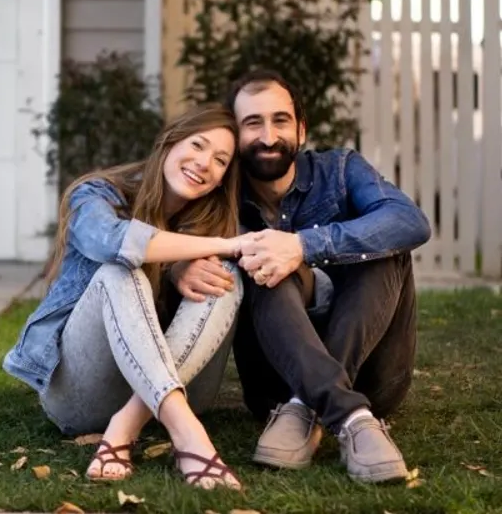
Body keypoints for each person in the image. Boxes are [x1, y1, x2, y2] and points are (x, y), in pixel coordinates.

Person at [171, 69, 432, 484]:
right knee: (258, 258)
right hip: (272, 386)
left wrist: (303, 246)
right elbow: (164, 228)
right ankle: (351, 416)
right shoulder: (219, 193)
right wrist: (177, 265)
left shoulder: (342, 170)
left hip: (374, 378)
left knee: (384, 250)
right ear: (234, 136)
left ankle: (307, 403)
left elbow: (409, 221)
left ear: (301, 129)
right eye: (252, 123)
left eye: (280, 120)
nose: (269, 136)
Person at [3, 103, 248, 490]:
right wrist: (213, 247)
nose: (204, 163)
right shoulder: (97, 194)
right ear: (168, 143)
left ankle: (127, 423)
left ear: (222, 179)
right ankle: (188, 435)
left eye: (220, 160)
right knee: (119, 269)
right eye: (197, 145)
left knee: (224, 275)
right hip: (82, 395)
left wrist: (189, 265)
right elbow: (113, 242)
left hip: (173, 386)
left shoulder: (213, 217)